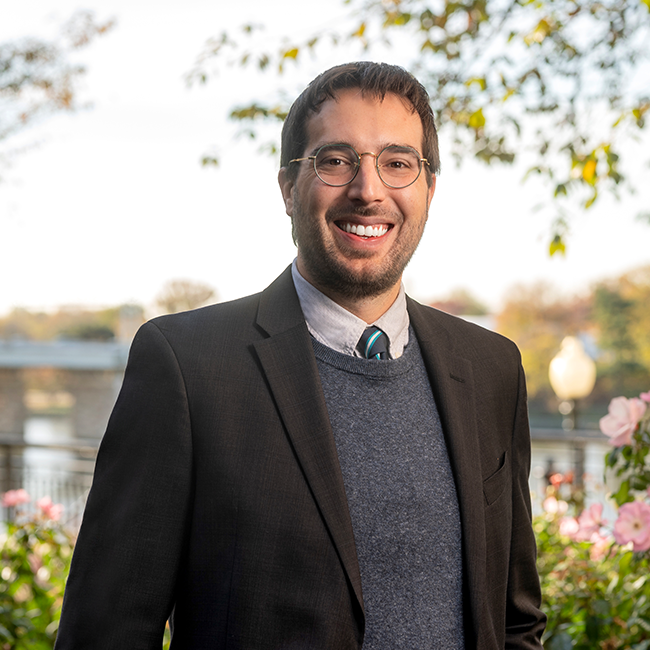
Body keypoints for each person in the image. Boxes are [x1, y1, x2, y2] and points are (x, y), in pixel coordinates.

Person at [55, 61, 546, 649]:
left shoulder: (491, 368)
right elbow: (105, 631)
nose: (369, 191)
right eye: (336, 161)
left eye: (397, 163)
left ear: (429, 189)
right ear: (289, 187)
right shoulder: (186, 367)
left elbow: (515, 621)